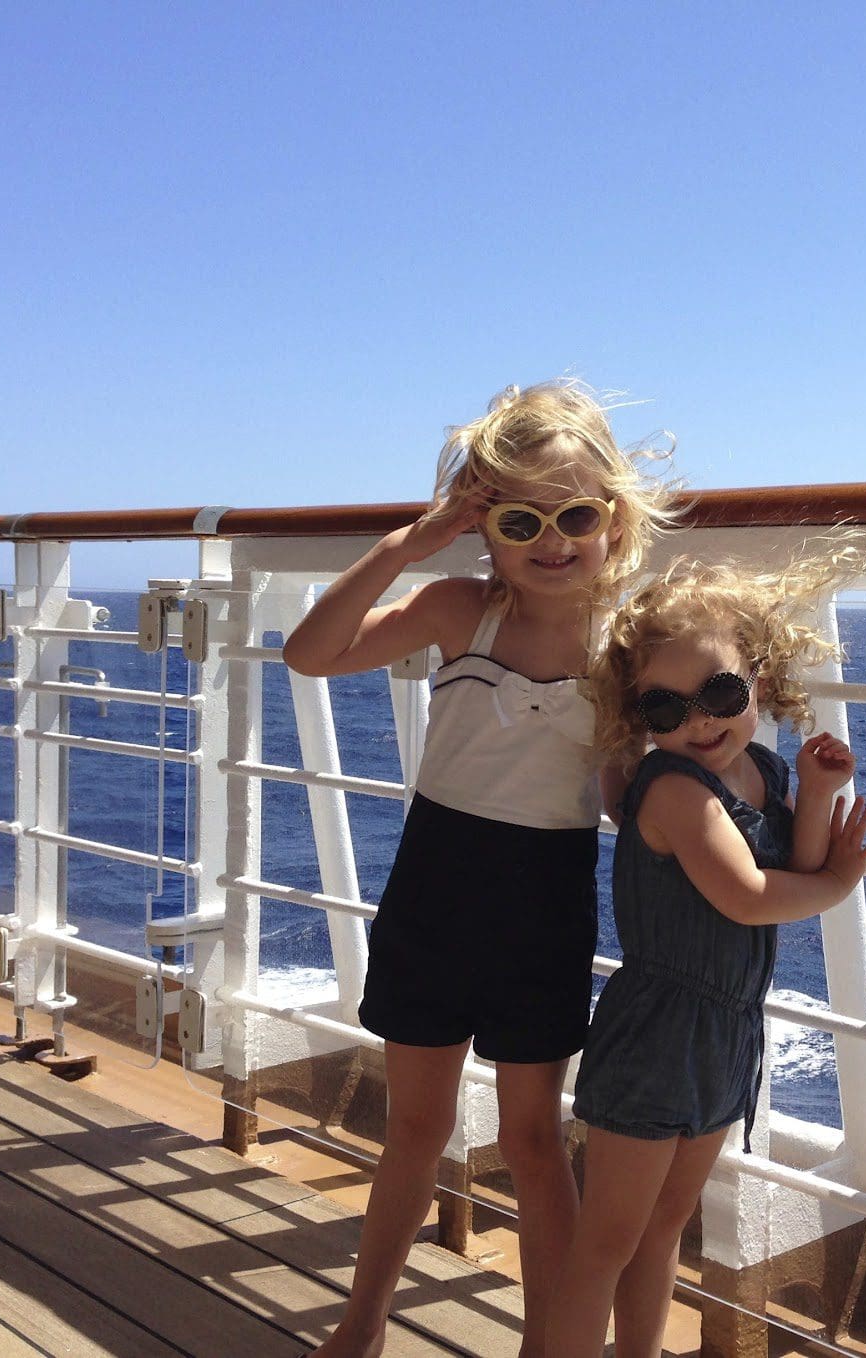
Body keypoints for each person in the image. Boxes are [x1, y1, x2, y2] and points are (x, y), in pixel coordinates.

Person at [284, 381, 672, 1358]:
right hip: (435, 891)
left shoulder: (622, 648)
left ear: (613, 518)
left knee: (534, 1140)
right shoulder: (459, 609)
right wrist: (406, 547)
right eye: (520, 517)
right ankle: (361, 1321)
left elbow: (625, 798)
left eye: (574, 514)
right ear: (482, 527)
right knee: (413, 1125)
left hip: (545, 905)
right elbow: (310, 651)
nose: (551, 538)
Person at [548, 541, 866, 1357]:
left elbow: (787, 870)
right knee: (606, 1243)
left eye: (719, 693)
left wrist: (817, 795)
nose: (698, 721)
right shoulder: (672, 788)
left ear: (760, 680)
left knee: (666, 1227)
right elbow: (747, 897)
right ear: (641, 721)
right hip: (660, 1033)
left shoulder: (762, 769)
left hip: (724, 1031)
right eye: (665, 710)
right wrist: (838, 885)